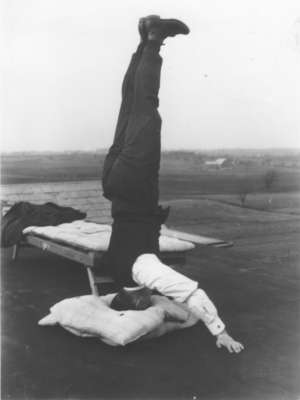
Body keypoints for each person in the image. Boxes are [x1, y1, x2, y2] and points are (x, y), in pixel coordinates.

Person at [101, 16, 244, 353]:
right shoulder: (114, 266)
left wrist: (218, 330)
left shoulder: (140, 271)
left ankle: (153, 38)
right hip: (113, 184)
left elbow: (190, 292)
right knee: (130, 105)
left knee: (146, 106)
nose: (153, 298)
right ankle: (143, 41)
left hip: (135, 185)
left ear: (135, 297)